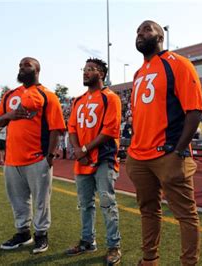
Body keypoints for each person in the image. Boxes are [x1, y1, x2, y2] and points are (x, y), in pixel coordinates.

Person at [126, 20, 202, 266]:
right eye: (138, 31)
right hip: (140, 155)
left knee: (185, 214)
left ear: (160, 36)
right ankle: (150, 259)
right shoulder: (139, 72)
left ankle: (188, 263)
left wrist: (179, 150)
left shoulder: (178, 64)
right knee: (148, 210)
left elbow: (195, 111)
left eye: (146, 29)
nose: (140, 34)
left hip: (167, 153)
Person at [0, 57, 66, 253]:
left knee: (41, 200)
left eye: (26, 64)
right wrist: (10, 115)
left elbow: (56, 128)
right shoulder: (10, 95)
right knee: (17, 199)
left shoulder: (48, 95)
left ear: (37, 69)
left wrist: (49, 156)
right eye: (19, 65)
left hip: (37, 158)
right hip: (12, 159)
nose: (22, 67)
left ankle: (41, 235)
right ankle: (23, 233)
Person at [65, 58, 122, 265]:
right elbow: (71, 128)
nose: (85, 72)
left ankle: (114, 246)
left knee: (107, 202)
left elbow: (109, 131)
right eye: (85, 69)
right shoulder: (78, 100)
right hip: (83, 159)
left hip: (103, 157)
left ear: (101, 74)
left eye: (91, 69)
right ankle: (88, 240)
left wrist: (84, 149)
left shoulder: (110, 98)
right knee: (84, 204)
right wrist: (77, 149)